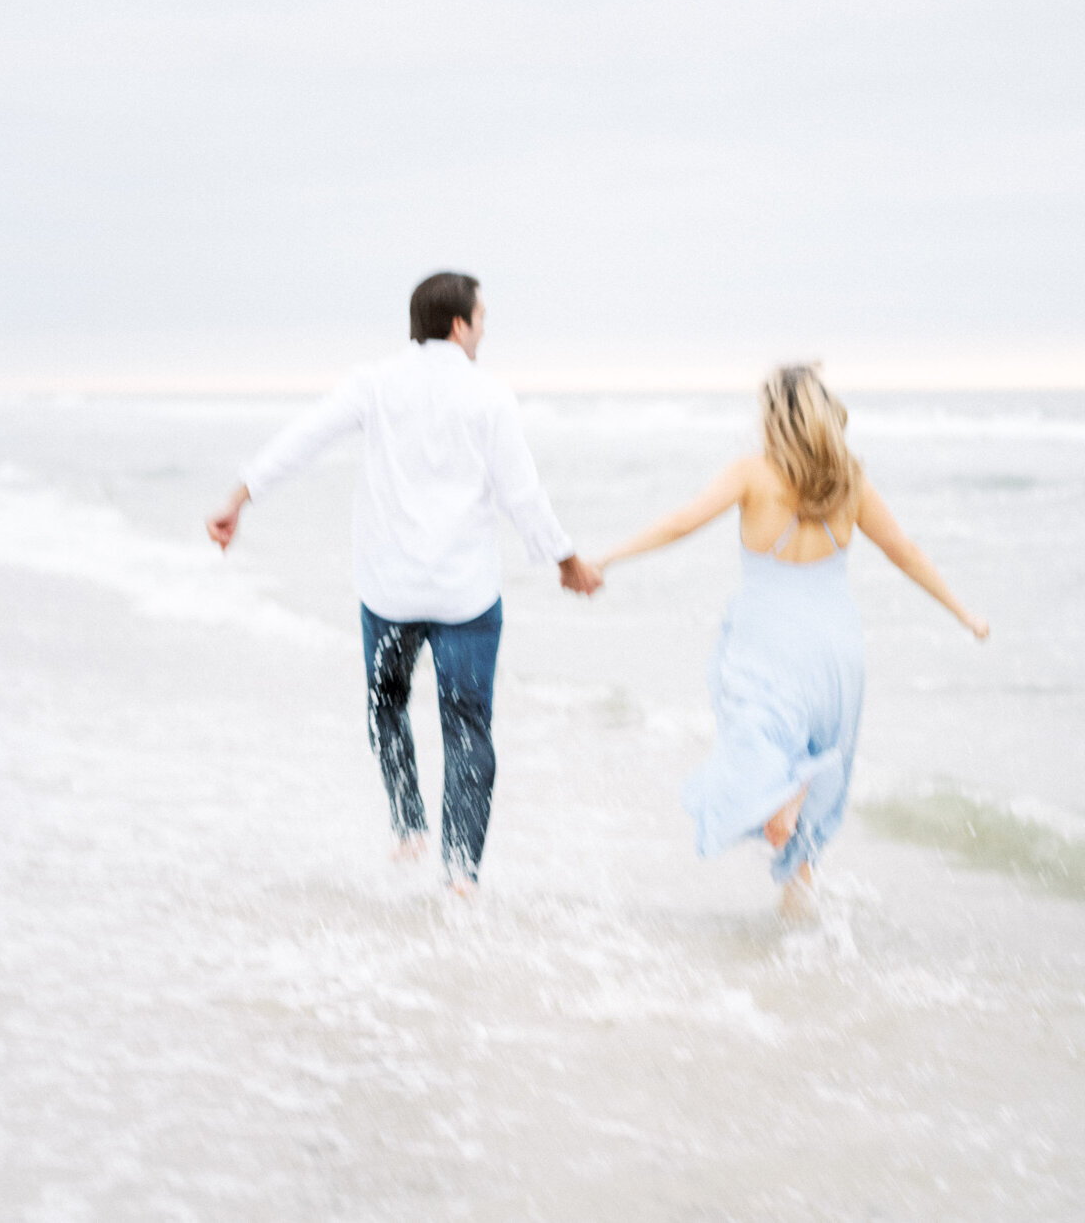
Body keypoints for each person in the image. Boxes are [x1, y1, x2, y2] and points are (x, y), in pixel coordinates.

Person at [206, 272, 600, 894]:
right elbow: (521, 493)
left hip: (389, 592)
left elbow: (303, 438)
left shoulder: (375, 383)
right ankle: (461, 873)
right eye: (481, 320)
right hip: (464, 596)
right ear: (459, 323)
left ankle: (409, 824)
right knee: (466, 724)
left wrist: (239, 497)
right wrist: (564, 559)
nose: (483, 333)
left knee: (385, 704)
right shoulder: (489, 396)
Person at [592, 364, 988, 912]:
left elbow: (683, 521)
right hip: (835, 653)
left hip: (770, 644)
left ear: (774, 416)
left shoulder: (753, 474)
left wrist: (608, 556)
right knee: (817, 772)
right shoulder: (851, 481)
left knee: (760, 749)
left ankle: (790, 795)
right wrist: (963, 612)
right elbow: (905, 552)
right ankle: (796, 912)